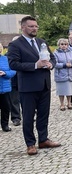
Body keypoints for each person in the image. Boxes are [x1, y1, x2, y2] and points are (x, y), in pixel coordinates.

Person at [8, 16, 61, 155]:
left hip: (44, 84)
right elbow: (13, 64)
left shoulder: (41, 41)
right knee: (28, 116)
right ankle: (30, 144)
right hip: (28, 87)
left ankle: (43, 139)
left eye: (36, 26)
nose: (34, 28)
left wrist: (51, 65)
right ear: (23, 27)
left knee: (43, 115)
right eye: (31, 26)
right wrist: (34, 65)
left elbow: (53, 58)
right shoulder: (16, 44)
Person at [53, 38, 72, 110]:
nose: (64, 46)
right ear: (59, 45)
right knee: (61, 91)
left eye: (65, 44)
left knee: (69, 90)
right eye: (62, 44)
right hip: (60, 74)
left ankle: (69, 103)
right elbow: (55, 64)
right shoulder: (56, 53)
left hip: (70, 74)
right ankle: (62, 104)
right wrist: (64, 65)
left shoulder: (71, 52)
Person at [0, 42, 16, 132]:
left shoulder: (6, 59)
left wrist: (5, 73)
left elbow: (13, 71)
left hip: (4, 88)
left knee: (6, 108)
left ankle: (5, 125)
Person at [7, 36, 21, 126]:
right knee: (14, 100)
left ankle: (30, 115)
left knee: (27, 100)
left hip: (25, 80)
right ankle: (16, 118)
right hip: (13, 80)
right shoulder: (7, 56)